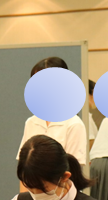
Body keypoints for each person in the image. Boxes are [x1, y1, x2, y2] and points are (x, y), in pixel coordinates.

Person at [17, 57, 88, 191]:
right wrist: (25, 199)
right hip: (32, 196)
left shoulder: (73, 124)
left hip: (62, 196)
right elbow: (24, 169)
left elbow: (72, 174)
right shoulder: (31, 122)